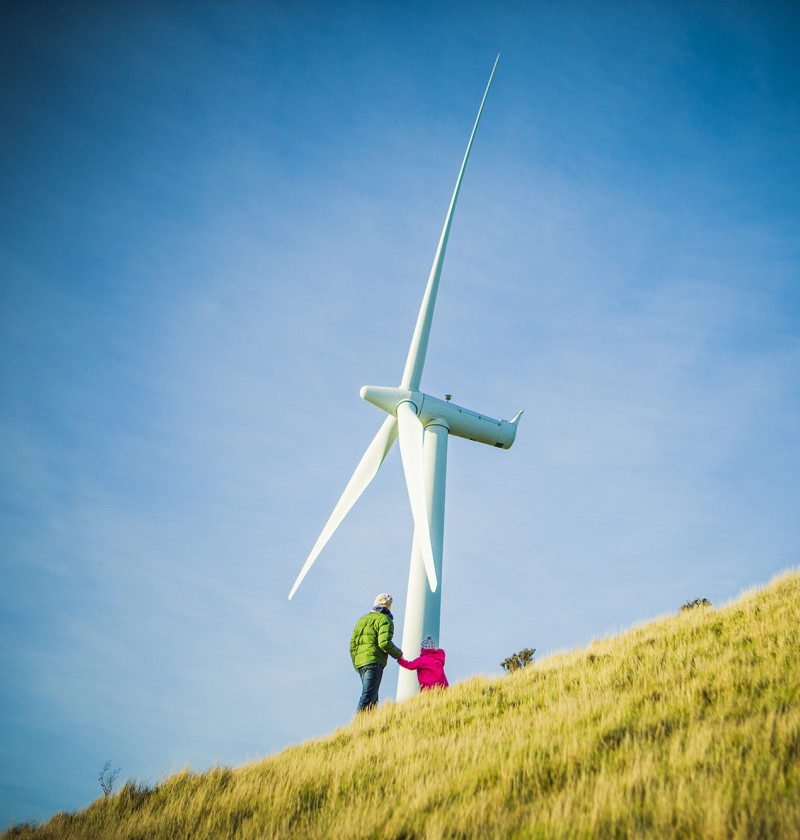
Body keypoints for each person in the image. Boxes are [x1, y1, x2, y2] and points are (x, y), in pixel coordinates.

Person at [350, 593, 403, 712]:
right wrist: (399, 655)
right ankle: (359, 724)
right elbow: (384, 643)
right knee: (368, 696)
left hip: (360, 663)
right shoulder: (385, 620)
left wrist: (356, 663)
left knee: (373, 696)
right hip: (374, 661)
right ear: (389, 607)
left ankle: (370, 723)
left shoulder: (362, 620)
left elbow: (353, 644)